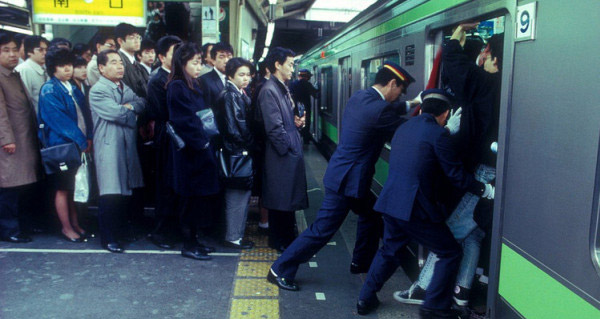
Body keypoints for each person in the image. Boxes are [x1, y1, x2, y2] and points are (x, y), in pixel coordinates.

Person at [268, 61, 420, 291]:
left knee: (371, 214)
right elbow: (409, 133)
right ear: (391, 83)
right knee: (322, 230)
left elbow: (389, 108)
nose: (399, 96)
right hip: (348, 182)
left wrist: (413, 103)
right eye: (400, 91)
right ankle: (280, 268)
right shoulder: (379, 111)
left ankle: (361, 262)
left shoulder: (361, 97)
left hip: (345, 175)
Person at [356, 89, 495, 318]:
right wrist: (484, 189)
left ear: (423, 108)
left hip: (391, 203)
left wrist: (446, 132)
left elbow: (421, 148)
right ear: (446, 113)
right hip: (414, 210)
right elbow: (456, 175)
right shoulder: (438, 135)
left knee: (389, 251)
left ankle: (365, 298)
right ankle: (434, 308)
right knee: (449, 251)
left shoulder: (405, 127)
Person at [395, 24, 504, 309]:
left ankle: (423, 287)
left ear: (492, 55)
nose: (481, 56)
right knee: (474, 234)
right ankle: (462, 290)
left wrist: (454, 41)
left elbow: (459, 69)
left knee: (451, 232)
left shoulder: (488, 85)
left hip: (483, 172)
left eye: (486, 52)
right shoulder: (507, 86)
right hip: (496, 168)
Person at [166, 43, 220, 260]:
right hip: (190, 153)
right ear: (182, 63)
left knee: (197, 200)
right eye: (194, 63)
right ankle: (189, 244)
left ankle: (196, 241)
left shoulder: (191, 84)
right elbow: (185, 121)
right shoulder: (177, 86)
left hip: (198, 149)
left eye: (200, 62)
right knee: (189, 200)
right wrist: (203, 144)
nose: (199, 67)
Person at [89, 49, 146, 253]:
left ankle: (120, 232)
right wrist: (130, 110)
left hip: (124, 144)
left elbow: (142, 102)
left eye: (120, 62)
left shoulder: (122, 86)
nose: (120, 66)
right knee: (110, 192)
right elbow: (116, 113)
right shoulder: (98, 90)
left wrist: (129, 107)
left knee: (124, 191)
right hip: (109, 145)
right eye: (113, 62)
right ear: (102, 68)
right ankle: (108, 237)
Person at [38, 47, 93, 243]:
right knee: (63, 188)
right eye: (62, 66)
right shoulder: (50, 89)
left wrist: (89, 137)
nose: (67, 69)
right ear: (53, 68)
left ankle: (75, 224)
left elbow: (85, 114)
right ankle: (66, 227)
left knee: (71, 186)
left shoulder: (71, 86)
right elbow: (59, 121)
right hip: (61, 146)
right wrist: (82, 139)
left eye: (69, 65)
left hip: (76, 144)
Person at [257, 47, 308, 252]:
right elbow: (274, 128)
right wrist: (288, 148)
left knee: (285, 198)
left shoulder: (281, 87)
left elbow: (283, 121)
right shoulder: (270, 90)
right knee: (281, 199)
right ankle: (280, 240)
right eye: (290, 64)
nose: (292, 68)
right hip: (282, 154)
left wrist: (296, 123)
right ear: (277, 65)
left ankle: (285, 238)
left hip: (287, 150)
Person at [0, 33, 42, 243]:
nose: (12, 54)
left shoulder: (13, 74)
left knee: (21, 186)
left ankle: (20, 226)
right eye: (5, 50)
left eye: (14, 49)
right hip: (10, 143)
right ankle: (9, 230)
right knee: (9, 187)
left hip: (23, 139)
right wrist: (6, 139)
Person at [215, 57, 255, 249]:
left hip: (236, 152)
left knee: (239, 195)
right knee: (237, 196)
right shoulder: (231, 95)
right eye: (241, 74)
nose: (246, 78)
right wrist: (251, 144)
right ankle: (232, 237)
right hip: (237, 153)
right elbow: (234, 128)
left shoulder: (237, 92)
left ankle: (235, 235)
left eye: (248, 74)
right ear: (230, 75)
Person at [145, 35, 182, 249]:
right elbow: (159, 111)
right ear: (161, 57)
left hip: (176, 136)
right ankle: (160, 233)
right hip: (166, 136)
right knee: (164, 187)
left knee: (175, 185)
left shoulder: (176, 76)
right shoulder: (157, 79)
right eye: (173, 53)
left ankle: (173, 230)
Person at [250, 61, 270, 234]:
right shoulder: (265, 88)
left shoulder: (261, 87)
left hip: (260, 144)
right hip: (263, 145)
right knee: (265, 184)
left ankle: (264, 220)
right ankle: (264, 221)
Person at [15, 35, 49, 113]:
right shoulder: (24, 69)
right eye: (40, 50)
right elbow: (24, 101)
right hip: (34, 120)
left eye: (46, 50)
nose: (45, 53)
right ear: (29, 52)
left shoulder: (45, 68)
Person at [115, 23, 148, 98]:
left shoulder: (138, 65)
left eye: (138, 37)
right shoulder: (118, 62)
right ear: (120, 41)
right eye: (132, 37)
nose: (137, 41)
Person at [199, 42, 233, 109]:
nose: (226, 60)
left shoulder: (234, 78)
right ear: (213, 60)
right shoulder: (204, 80)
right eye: (222, 57)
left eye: (229, 56)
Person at [289, 69, 318, 144]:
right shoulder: (307, 84)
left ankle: (296, 140)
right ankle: (306, 140)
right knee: (306, 125)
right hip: (305, 108)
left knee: (296, 125)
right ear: (307, 77)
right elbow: (315, 95)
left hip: (294, 108)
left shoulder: (293, 84)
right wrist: (317, 88)